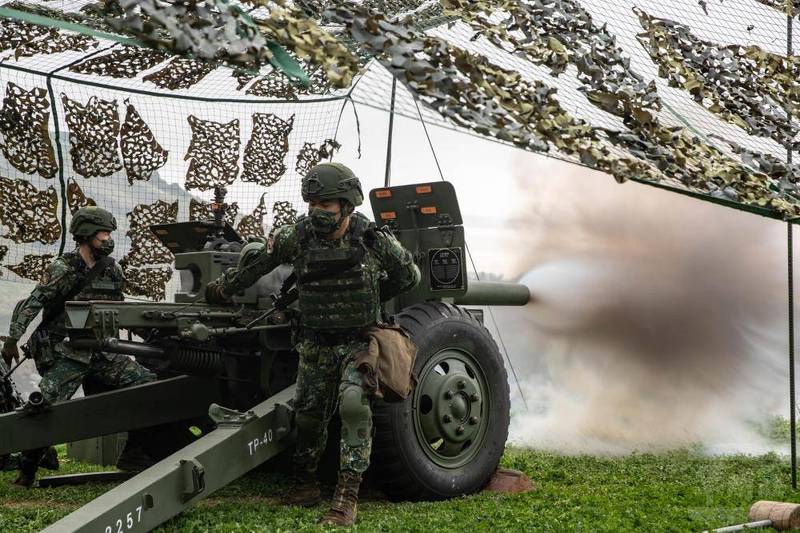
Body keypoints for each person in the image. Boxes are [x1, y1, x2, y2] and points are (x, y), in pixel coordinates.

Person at [205, 162, 420, 526]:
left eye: (326, 205)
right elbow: (258, 265)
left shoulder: (371, 239)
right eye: (312, 204)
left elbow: (408, 275)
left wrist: (374, 295)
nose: (317, 212)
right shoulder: (297, 237)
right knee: (307, 418)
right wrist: (222, 288)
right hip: (316, 344)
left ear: (347, 205)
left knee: (353, 405)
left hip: (357, 342)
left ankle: (346, 497)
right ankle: (304, 484)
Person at [1, 206, 157, 488]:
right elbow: (32, 303)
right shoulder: (62, 268)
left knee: (150, 386)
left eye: (110, 233)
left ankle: (134, 454)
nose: (108, 239)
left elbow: (120, 309)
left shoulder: (112, 270)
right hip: (67, 352)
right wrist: (13, 339)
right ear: (86, 234)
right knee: (46, 404)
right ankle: (27, 471)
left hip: (103, 352)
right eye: (103, 234)